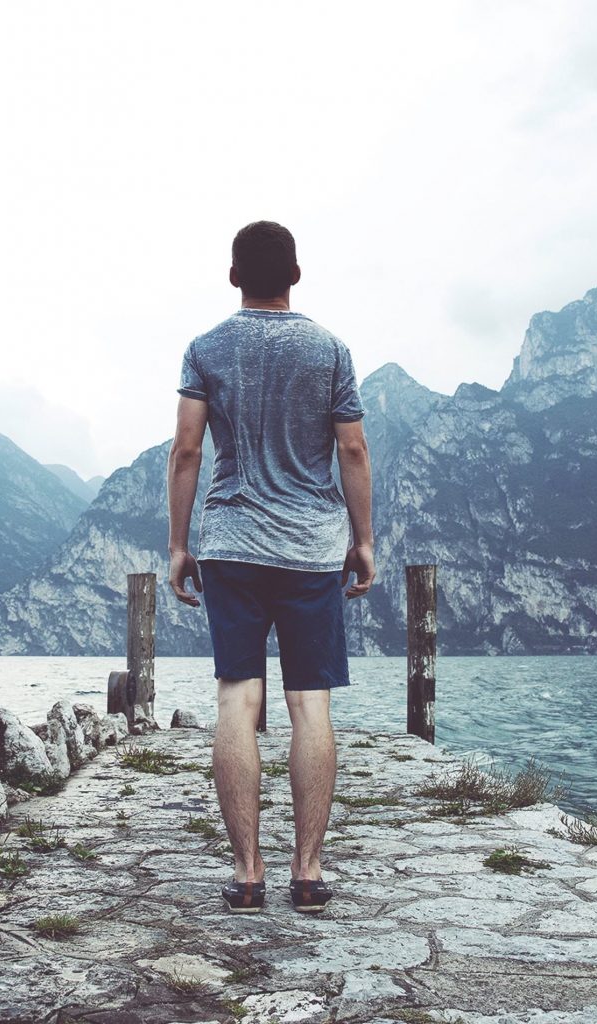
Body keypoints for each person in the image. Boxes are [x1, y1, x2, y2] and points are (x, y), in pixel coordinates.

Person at [166, 220, 375, 914]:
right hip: (311, 551)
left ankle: (247, 873)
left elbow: (187, 452)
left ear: (234, 277)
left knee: (237, 701)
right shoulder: (329, 349)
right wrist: (363, 538)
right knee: (308, 706)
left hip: (231, 546)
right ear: (295, 274)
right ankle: (307, 873)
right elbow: (351, 451)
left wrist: (178, 544)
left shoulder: (206, 348)